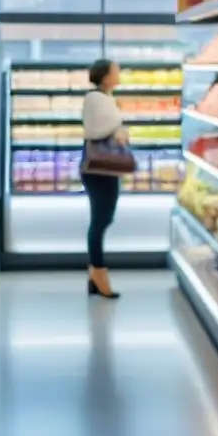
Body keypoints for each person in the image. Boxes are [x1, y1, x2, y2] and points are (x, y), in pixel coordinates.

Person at [81, 58, 128, 299]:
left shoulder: (104, 97)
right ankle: (99, 274)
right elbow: (97, 129)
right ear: (105, 75)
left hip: (103, 167)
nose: (119, 73)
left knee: (102, 220)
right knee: (101, 221)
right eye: (116, 70)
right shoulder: (95, 98)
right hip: (99, 169)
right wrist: (119, 127)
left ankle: (94, 274)